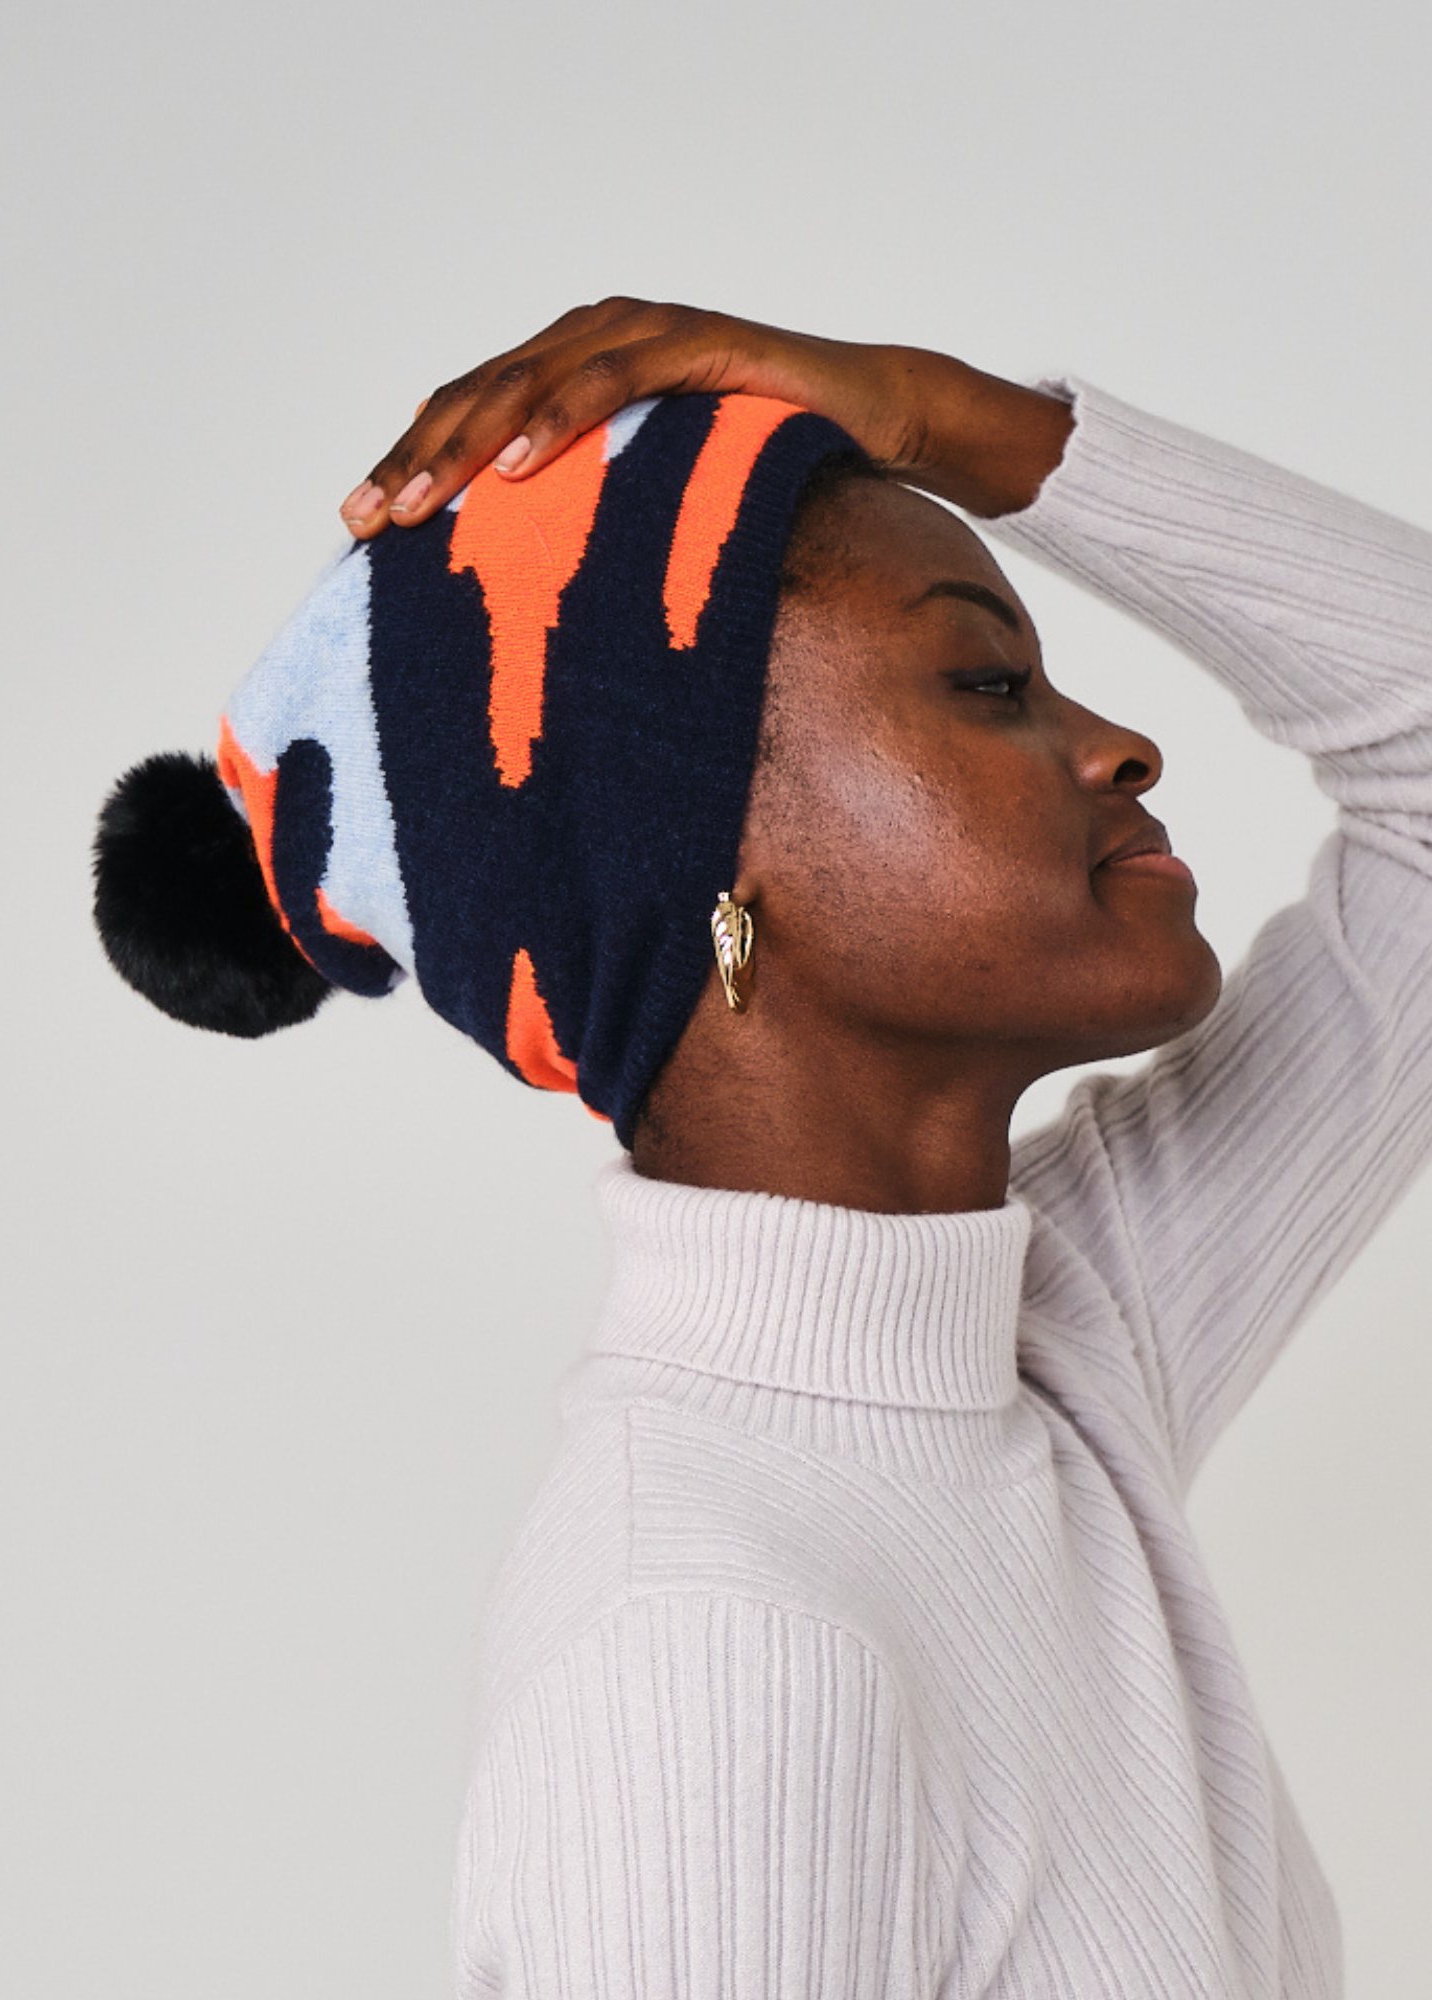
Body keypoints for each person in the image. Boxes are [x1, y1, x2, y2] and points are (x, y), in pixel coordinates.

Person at [96, 303, 1432, 1997]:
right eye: (989, 682)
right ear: (713, 885)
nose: (1119, 745)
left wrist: (944, 415)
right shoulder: (713, 1648)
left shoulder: (1050, 1354)